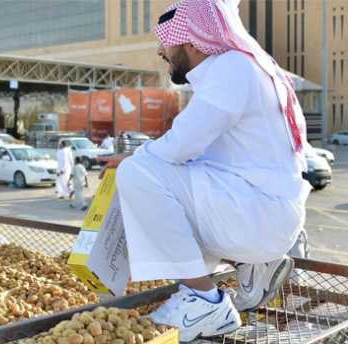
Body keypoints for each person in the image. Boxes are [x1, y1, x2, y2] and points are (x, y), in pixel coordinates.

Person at [113, 0, 310, 341]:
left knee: (137, 173)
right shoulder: (244, 68)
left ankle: (205, 301)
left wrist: (132, 161)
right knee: (169, 179)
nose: (162, 50)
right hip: (262, 213)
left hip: (258, 215)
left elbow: (179, 145)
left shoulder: (231, 68)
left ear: (191, 41)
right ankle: (253, 264)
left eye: (167, 42)